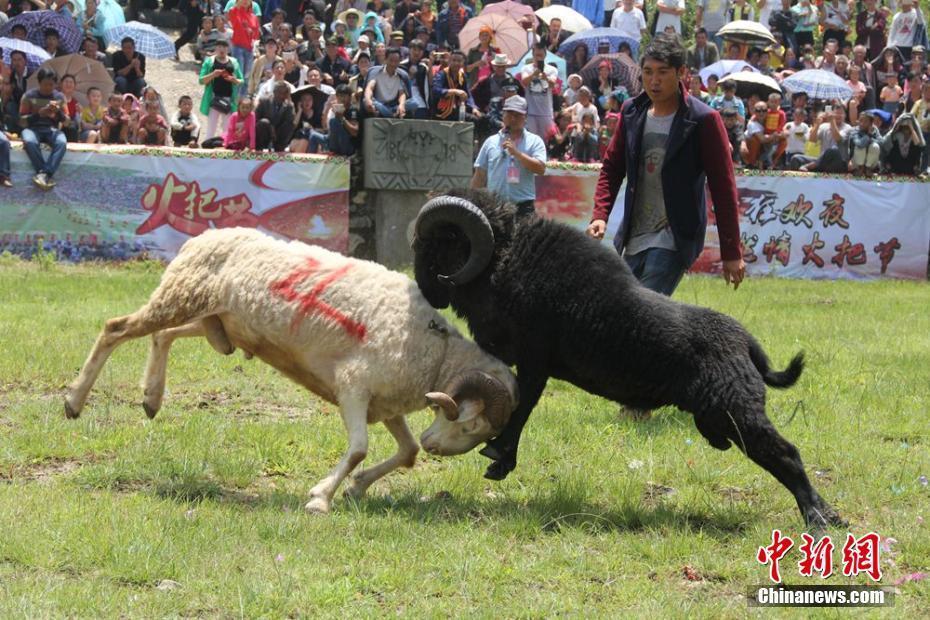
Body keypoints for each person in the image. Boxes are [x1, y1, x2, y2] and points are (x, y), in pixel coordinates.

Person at [588, 33, 745, 297]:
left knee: (642, 314)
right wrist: (599, 215)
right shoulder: (631, 112)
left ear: (681, 72)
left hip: (674, 237)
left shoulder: (704, 120)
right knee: (627, 313)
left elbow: (723, 188)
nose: (654, 80)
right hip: (634, 235)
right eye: (648, 72)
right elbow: (612, 167)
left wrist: (731, 252)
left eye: (662, 72)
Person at [471, 95, 546, 216]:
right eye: (509, 114)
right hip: (494, 206)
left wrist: (517, 154)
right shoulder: (491, 142)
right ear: (503, 115)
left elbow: (540, 169)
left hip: (523, 207)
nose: (513, 119)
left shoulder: (535, 141)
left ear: (525, 117)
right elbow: (480, 175)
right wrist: (471, 202)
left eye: (517, 115)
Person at [18, 67, 68, 190]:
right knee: (30, 141)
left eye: (51, 84)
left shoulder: (60, 97)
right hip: (32, 128)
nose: (48, 87)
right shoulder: (29, 96)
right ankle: (44, 173)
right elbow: (20, 121)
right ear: (39, 83)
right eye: (45, 84)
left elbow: (67, 122)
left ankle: (44, 174)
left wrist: (58, 114)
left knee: (62, 142)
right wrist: (38, 114)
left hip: (51, 129)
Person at [199, 40, 243, 141]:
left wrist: (234, 80)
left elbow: (241, 81)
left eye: (224, 46)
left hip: (229, 100)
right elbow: (201, 80)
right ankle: (207, 148)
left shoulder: (234, 62)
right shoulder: (209, 61)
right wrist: (213, 74)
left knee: (227, 128)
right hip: (214, 98)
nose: (222, 49)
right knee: (211, 127)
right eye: (219, 46)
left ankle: (226, 149)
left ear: (228, 49)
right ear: (215, 48)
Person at [307, 83, 359, 156]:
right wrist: (328, 108)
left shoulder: (353, 110)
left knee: (334, 121)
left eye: (344, 96)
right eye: (339, 96)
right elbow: (325, 127)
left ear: (350, 97)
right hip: (332, 140)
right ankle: (310, 164)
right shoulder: (335, 108)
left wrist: (342, 118)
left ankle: (335, 152)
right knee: (313, 135)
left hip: (347, 145)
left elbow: (354, 132)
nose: (342, 99)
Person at [520, 42, 558, 139]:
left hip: (545, 112)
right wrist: (534, 74)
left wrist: (545, 77)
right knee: (531, 139)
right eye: (536, 55)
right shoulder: (526, 68)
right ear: (533, 55)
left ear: (545, 55)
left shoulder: (552, 69)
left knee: (545, 140)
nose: (539, 58)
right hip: (531, 112)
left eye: (541, 55)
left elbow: (553, 84)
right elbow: (524, 82)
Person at [364, 47, 409, 118]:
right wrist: (368, 100)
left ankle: (388, 113)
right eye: (391, 60)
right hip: (379, 104)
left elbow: (402, 93)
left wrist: (401, 105)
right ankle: (391, 115)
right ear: (385, 59)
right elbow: (369, 88)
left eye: (396, 61)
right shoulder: (377, 72)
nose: (393, 64)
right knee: (367, 101)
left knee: (413, 103)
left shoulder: (400, 75)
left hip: (394, 105)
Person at [228, 0, 260, 94]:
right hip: (238, 47)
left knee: (246, 76)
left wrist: (255, 47)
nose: (245, 1)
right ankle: (235, 99)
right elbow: (233, 12)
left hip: (249, 49)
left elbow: (256, 34)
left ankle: (243, 99)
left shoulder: (254, 17)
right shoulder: (234, 11)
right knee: (239, 75)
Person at [255, 81, 296, 151]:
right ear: (274, 92)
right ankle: (260, 147)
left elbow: (290, 121)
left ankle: (280, 148)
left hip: (278, 134)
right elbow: (256, 118)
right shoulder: (264, 101)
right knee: (264, 122)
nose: (281, 95)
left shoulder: (289, 105)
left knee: (290, 124)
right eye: (279, 92)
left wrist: (289, 100)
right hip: (265, 132)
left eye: (284, 93)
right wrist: (270, 127)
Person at [847, 110, 882, 176]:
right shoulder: (855, 130)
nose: (861, 123)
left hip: (870, 163)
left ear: (871, 123)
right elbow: (860, 144)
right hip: (856, 162)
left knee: (875, 146)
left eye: (865, 121)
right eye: (860, 120)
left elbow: (881, 142)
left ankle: (868, 169)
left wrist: (870, 139)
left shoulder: (875, 130)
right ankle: (860, 169)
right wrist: (868, 135)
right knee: (861, 147)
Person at [911, 80, 930, 173]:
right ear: (923, 92)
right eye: (927, 91)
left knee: (927, 151)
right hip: (920, 131)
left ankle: (924, 169)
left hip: (929, 131)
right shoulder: (919, 103)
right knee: (918, 150)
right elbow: (912, 115)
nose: (928, 93)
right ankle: (915, 167)